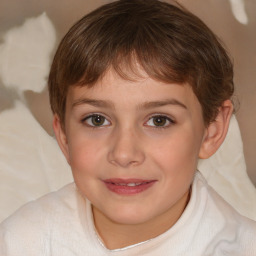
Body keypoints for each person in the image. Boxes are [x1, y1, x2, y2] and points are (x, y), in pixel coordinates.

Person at [0, 0, 255, 255]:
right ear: (64, 136)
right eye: (97, 120)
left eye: (159, 121)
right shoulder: (21, 241)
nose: (124, 154)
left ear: (212, 130)